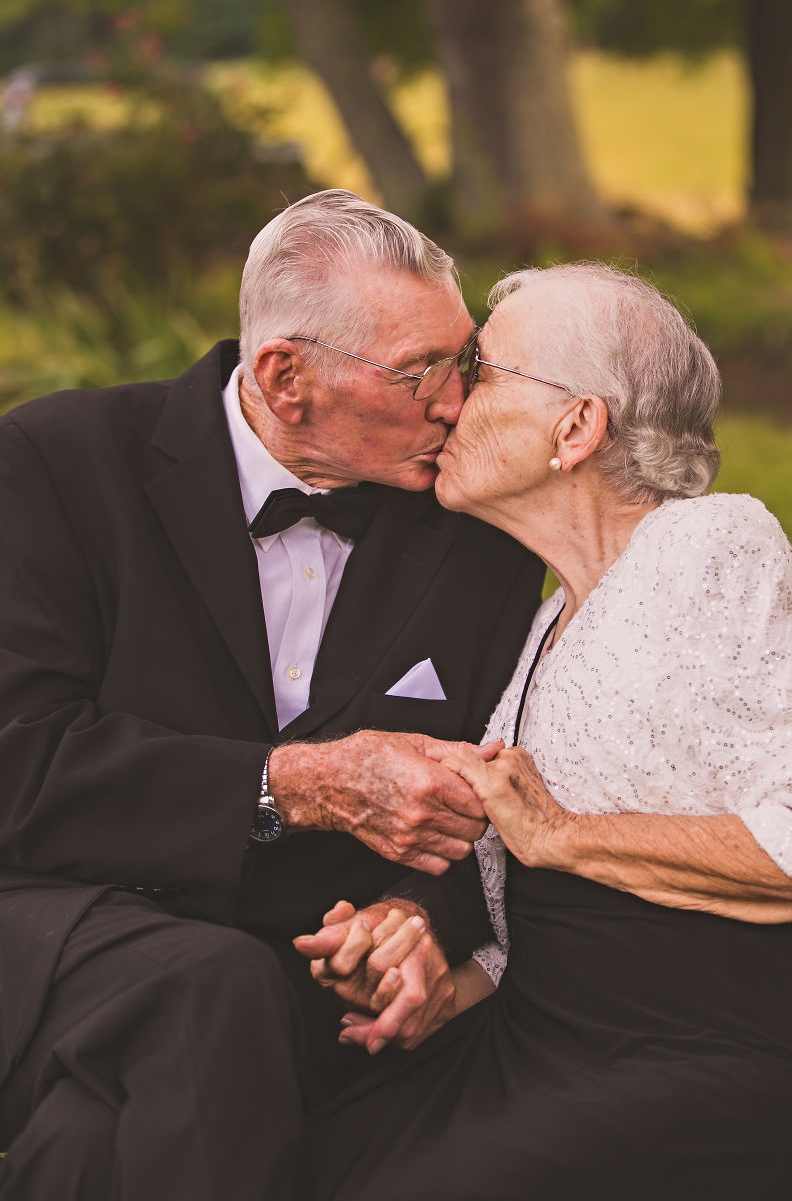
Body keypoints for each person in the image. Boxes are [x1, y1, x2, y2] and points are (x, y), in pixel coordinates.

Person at [0, 189, 549, 1200]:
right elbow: (18, 765)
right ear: (284, 377)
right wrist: (289, 782)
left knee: (89, 1144)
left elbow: (498, 790)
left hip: (301, 979)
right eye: (418, 370)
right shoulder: (50, 464)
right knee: (209, 986)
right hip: (48, 926)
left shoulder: (482, 541)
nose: (454, 402)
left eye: (461, 361)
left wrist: (412, 920)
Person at [299, 263, 792, 1201]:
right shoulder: (547, 623)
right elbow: (532, 920)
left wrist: (563, 835)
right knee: (315, 1151)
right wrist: (426, 973)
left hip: (715, 1052)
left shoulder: (711, 545)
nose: (448, 400)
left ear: (577, 427)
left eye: (482, 369)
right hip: (558, 1037)